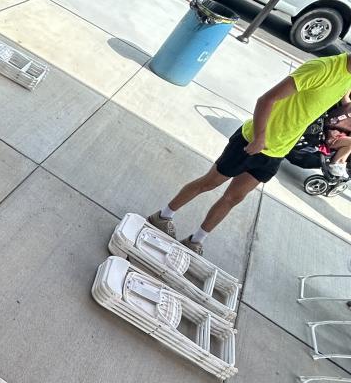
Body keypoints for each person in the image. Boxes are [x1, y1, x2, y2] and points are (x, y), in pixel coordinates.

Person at [148, 52, 351, 253]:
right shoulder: (322, 68)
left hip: (278, 150)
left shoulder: (347, 77)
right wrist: (259, 137)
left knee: (234, 197)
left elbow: (339, 99)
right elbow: (266, 99)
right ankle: (163, 216)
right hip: (252, 141)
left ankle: (195, 241)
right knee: (210, 183)